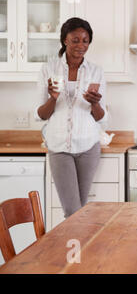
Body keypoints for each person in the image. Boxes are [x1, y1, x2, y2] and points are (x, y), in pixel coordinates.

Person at [35, 17, 108, 218]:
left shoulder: (96, 71)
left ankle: (78, 249)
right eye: (75, 40)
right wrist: (53, 97)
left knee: (79, 210)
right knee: (72, 211)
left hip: (88, 146)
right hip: (59, 148)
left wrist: (94, 103)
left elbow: (101, 118)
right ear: (65, 40)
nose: (81, 45)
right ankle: (74, 249)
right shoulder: (49, 69)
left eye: (85, 41)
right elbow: (41, 114)